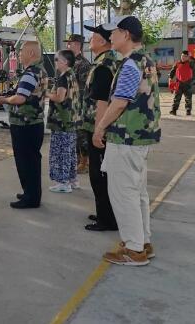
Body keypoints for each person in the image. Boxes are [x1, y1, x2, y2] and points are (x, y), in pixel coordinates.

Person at [93, 16, 161, 266]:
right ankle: (142, 242)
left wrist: (100, 128)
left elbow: (120, 102)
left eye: (114, 32)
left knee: (124, 194)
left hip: (126, 138)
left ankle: (133, 249)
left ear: (126, 34)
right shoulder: (145, 61)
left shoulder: (131, 64)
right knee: (138, 193)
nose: (110, 37)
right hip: (139, 138)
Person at [0, 41, 48, 209]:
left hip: (24, 124)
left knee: (26, 162)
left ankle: (30, 198)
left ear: (31, 53)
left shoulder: (30, 74)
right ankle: (31, 193)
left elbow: (20, 98)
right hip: (34, 123)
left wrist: (4, 100)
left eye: (21, 52)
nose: (18, 55)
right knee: (32, 161)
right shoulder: (41, 71)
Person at [81, 24, 119, 232]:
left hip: (98, 127)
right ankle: (104, 213)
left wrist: (98, 131)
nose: (90, 38)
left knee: (99, 174)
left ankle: (107, 219)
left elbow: (102, 101)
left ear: (103, 41)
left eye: (93, 35)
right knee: (101, 173)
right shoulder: (105, 62)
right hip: (99, 126)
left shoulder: (104, 66)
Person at [46, 50, 80, 193]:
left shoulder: (63, 78)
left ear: (65, 62)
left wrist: (46, 93)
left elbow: (59, 97)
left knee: (60, 152)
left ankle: (63, 183)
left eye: (56, 59)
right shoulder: (71, 75)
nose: (55, 62)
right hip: (71, 120)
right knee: (70, 152)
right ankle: (72, 180)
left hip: (62, 121)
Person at [65, 34, 92, 174]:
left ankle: (84, 162)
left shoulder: (84, 64)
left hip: (80, 104)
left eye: (69, 43)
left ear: (77, 45)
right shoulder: (70, 62)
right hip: (71, 103)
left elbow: (85, 87)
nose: (67, 46)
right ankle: (76, 159)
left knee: (81, 134)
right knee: (74, 133)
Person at [169, 50, 195, 116]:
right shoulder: (177, 63)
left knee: (188, 98)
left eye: (185, 56)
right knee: (176, 97)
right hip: (179, 83)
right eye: (182, 56)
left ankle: (188, 110)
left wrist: (190, 56)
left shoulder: (191, 63)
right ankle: (174, 110)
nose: (183, 57)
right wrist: (170, 79)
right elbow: (172, 72)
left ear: (188, 57)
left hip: (188, 83)